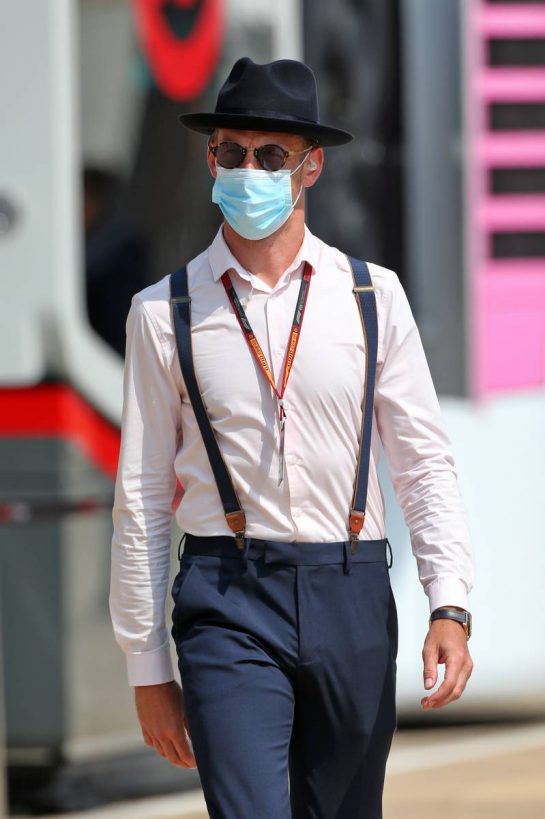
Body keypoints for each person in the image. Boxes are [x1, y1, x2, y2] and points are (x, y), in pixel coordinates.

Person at [109, 57, 474, 819]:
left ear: (309, 167)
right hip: (227, 596)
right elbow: (140, 497)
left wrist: (449, 602)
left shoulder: (371, 297)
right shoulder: (162, 312)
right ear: (209, 160)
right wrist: (147, 666)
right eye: (232, 152)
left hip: (351, 589)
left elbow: (423, 465)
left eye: (270, 155)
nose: (248, 170)